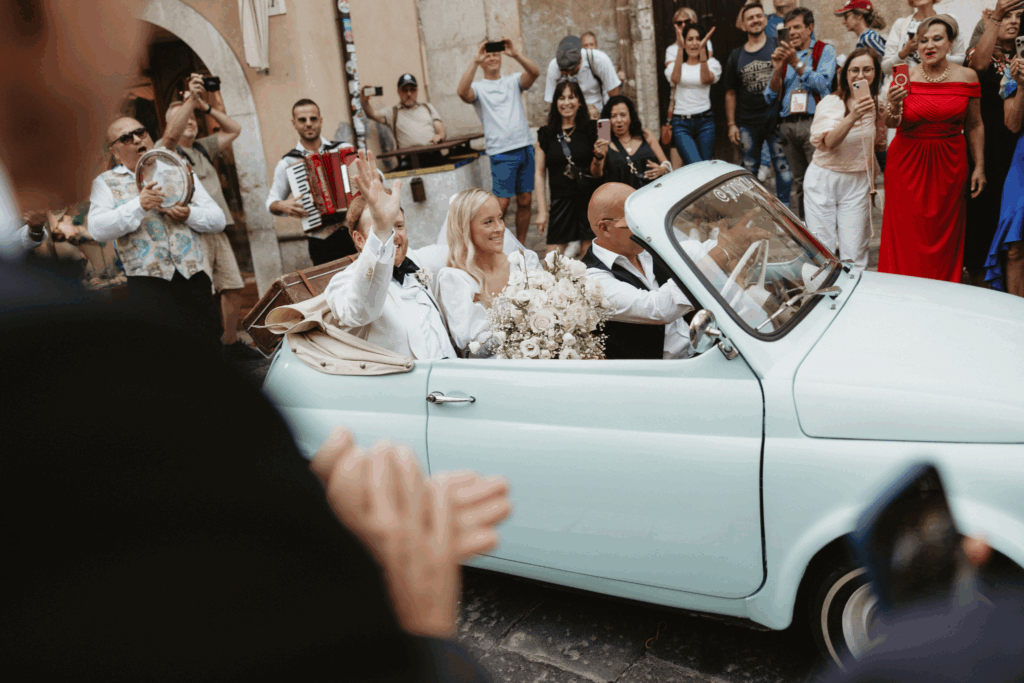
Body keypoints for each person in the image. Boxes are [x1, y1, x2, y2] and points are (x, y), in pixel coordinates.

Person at [2, 4, 511, 679]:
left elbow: (214, 214)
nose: (122, 48)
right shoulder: (83, 373)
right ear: (31, 22)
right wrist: (408, 612)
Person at [87, 116, 226, 345]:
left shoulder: (180, 170)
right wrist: (138, 206)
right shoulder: (104, 182)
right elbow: (97, 230)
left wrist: (190, 214)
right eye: (126, 137)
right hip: (148, 285)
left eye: (140, 132)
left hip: (193, 279)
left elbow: (218, 219)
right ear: (115, 151)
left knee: (209, 346)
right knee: (164, 356)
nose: (136, 139)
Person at [879, 15, 985, 282]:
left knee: (944, 235)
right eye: (922, 40)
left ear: (950, 43)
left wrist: (979, 166)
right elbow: (892, 122)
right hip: (906, 165)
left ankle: (943, 294)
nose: (929, 45)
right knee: (905, 234)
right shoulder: (905, 76)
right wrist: (892, 104)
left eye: (937, 39)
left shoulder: (968, 76)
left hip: (950, 165)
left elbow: (974, 125)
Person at [161, 74, 259, 360]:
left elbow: (235, 128)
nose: (189, 119)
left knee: (232, 285)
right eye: (183, 116)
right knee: (202, 291)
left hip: (217, 227)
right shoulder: (165, 151)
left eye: (192, 117)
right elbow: (170, 136)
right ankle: (207, 349)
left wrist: (204, 106)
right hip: (189, 230)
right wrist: (189, 102)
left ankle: (229, 345)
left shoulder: (204, 146)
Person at [324, 151, 455, 360]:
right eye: (382, 227)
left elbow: (462, 251)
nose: (394, 236)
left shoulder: (417, 261)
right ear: (359, 240)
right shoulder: (343, 282)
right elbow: (359, 312)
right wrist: (382, 232)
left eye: (399, 225)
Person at [582, 183, 693, 360]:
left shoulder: (646, 247)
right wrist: (717, 255)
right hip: (662, 373)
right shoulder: (592, 279)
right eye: (634, 222)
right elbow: (658, 308)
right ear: (605, 228)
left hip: (699, 348)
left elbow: (692, 249)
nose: (644, 226)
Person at [803, 48, 884, 270]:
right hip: (825, 179)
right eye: (854, 70)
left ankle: (855, 295)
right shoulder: (831, 102)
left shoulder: (877, 102)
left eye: (867, 70)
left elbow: (879, 142)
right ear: (845, 74)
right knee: (824, 248)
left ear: (875, 73)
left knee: (855, 251)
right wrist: (854, 115)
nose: (860, 76)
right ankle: (825, 294)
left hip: (858, 180)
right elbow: (828, 143)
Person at [436, 189, 542, 357]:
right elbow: (474, 346)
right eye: (488, 222)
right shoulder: (456, 280)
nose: (500, 228)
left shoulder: (524, 263)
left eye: (500, 218)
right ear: (465, 229)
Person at [457, 37, 541, 245]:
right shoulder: (479, 88)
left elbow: (535, 73)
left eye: (496, 53)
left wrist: (516, 54)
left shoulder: (512, 81)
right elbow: (462, 93)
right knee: (500, 205)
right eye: (487, 54)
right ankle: (497, 245)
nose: (492, 57)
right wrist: (475, 61)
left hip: (524, 147)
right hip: (501, 153)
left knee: (525, 200)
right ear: (482, 60)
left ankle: (520, 246)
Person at [965, 0, 1022, 285]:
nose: (1013, 21)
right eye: (1006, 16)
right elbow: (978, 65)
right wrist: (994, 20)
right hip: (988, 143)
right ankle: (980, 285)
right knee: (985, 212)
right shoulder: (982, 48)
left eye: (1018, 17)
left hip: (1018, 144)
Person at [765, 7, 838, 219]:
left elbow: (823, 84)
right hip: (787, 125)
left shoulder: (825, 51)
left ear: (810, 28)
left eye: (797, 27)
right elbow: (769, 96)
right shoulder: (784, 56)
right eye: (788, 28)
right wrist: (778, 68)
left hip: (815, 123)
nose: (792, 32)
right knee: (799, 182)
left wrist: (796, 63)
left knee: (820, 180)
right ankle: (808, 228)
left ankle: (825, 228)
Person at [266, 98, 356, 266]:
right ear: (294, 123)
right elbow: (271, 201)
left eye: (313, 119)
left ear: (320, 120)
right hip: (321, 242)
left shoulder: (343, 149)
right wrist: (281, 206)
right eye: (302, 120)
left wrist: (370, 178)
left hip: (354, 232)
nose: (308, 124)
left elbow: (376, 176)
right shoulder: (288, 162)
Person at [725, 3, 793, 208]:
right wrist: (731, 124)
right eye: (750, 18)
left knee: (783, 167)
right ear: (743, 25)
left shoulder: (778, 46)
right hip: (747, 122)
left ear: (765, 19)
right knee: (749, 169)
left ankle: (785, 210)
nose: (755, 20)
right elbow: (730, 93)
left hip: (776, 119)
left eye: (758, 16)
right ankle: (754, 211)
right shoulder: (736, 56)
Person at [535, 80, 602, 257]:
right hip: (560, 201)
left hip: (587, 200)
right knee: (552, 261)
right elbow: (539, 173)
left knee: (589, 258)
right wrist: (542, 211)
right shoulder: (546, 133)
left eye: (571, 97)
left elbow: (600, 171)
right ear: (555, 102)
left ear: (580, 101)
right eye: (561, 98)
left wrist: (600, 155)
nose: (566, 103)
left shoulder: (592, 129)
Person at [985, 55, 1024, 295]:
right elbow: (1011, 123)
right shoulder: (1016, 69)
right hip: (1022, 162)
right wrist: (1022, 87)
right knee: (1015, 247)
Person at [665, 22, 721, 164]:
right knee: (695, 164)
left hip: (705, 121)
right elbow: (675, 78)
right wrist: (680, 48)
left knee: (706, 165)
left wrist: (702, 52)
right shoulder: (675, 65)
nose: (695, 43)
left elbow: (706, 79)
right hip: (681, 124)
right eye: (690, 39)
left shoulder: (712, 64)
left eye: (698, 38)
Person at [592, 94, 671, 189]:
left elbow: (665, 162)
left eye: (623, 115)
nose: (619, 120)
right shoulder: (605, 144)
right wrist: (598, 157)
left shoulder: (646, 135)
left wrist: (662, 169)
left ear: (631, 116)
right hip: (624, 198)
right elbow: (596, 174)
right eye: (613, 116)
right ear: (608, 120)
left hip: (653, 192)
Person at [360, 73, 446, 154]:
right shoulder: (393, 112)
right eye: (405, 90)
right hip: (409, 160)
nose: (409, 94)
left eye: (412, 90)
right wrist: (364, 101)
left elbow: (440, 130)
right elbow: (372, 114)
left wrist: (439, 136)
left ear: (417, 91)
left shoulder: (428, 107)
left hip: (433, 153)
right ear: (398, 92)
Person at [543, 35, 622, 120]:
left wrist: (609, 118)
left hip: (600, 114)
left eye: (572, 71)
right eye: (565, 72)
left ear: (580, 59)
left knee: (604, 133)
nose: (570, 74)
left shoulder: (600, 60)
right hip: (571, 119)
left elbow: (614, 96)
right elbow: (551, 102)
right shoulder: (554, 66)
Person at [882, 0, 967, 76]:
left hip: (943, 83)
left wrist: (938, 56)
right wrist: (905, 51)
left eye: (937, 38)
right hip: (908, 87)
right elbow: (886, 68)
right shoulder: (900, 24)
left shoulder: (949, 20)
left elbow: (961, 59)